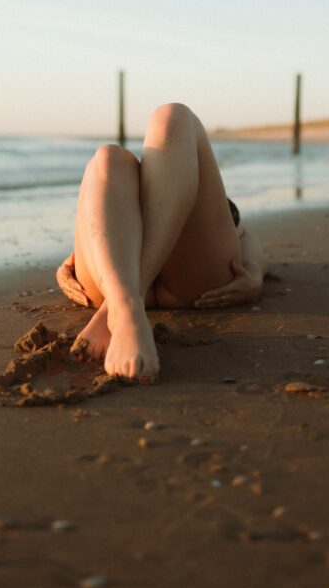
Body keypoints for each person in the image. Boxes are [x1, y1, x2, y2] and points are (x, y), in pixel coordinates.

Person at [56, 102, 266, 383]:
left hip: (127, 283)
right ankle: (126, 304)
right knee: (108, 156)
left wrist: (255, 273)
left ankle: (121, 307)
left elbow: (246, 235)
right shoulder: (133, 170)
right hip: (172, 279)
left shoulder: (183, 171)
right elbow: (244, 235)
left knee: (171, 116)